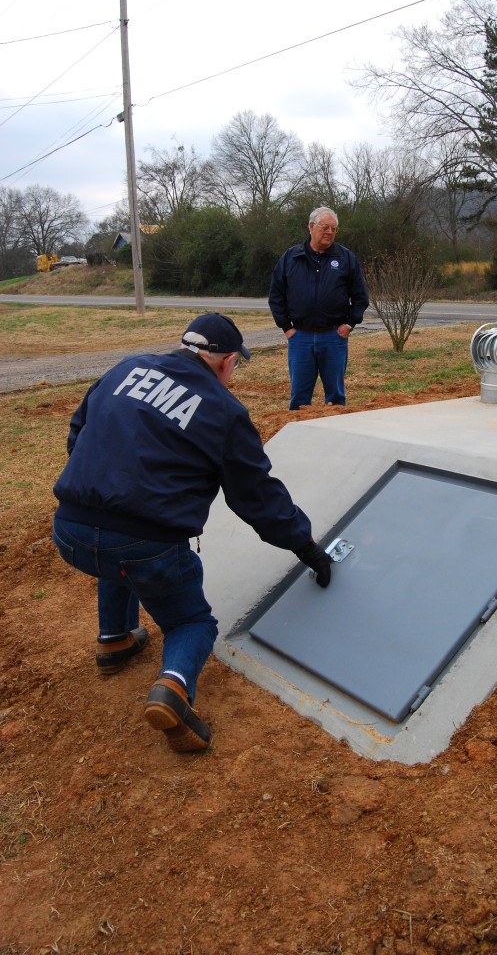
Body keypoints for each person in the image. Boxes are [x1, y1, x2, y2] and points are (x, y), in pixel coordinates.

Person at [52, 313, 332, 754]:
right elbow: (257, 496)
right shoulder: (223, 411)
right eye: (235, 366)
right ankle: (174, 691)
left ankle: (115, 640)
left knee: (118, 556)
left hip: (70, 530)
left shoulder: (126, 368)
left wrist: (101, 487)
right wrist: (304, 544)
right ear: (224, 363)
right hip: (145, 545)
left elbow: (78, 430)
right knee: (190, 621)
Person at [268, 206, 369, 410]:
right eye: (325, 227)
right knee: (299, 399)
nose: (329, 232)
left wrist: (349, 324)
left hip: (333, 338)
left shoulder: (345, 258)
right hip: (300, 338)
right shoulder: (290, 258)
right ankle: (298, 439)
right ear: (311, 227)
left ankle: (336, 438)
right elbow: (276, 296)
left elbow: (360, 296)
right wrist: (287, 327)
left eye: (334, 228)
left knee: (336, 399)